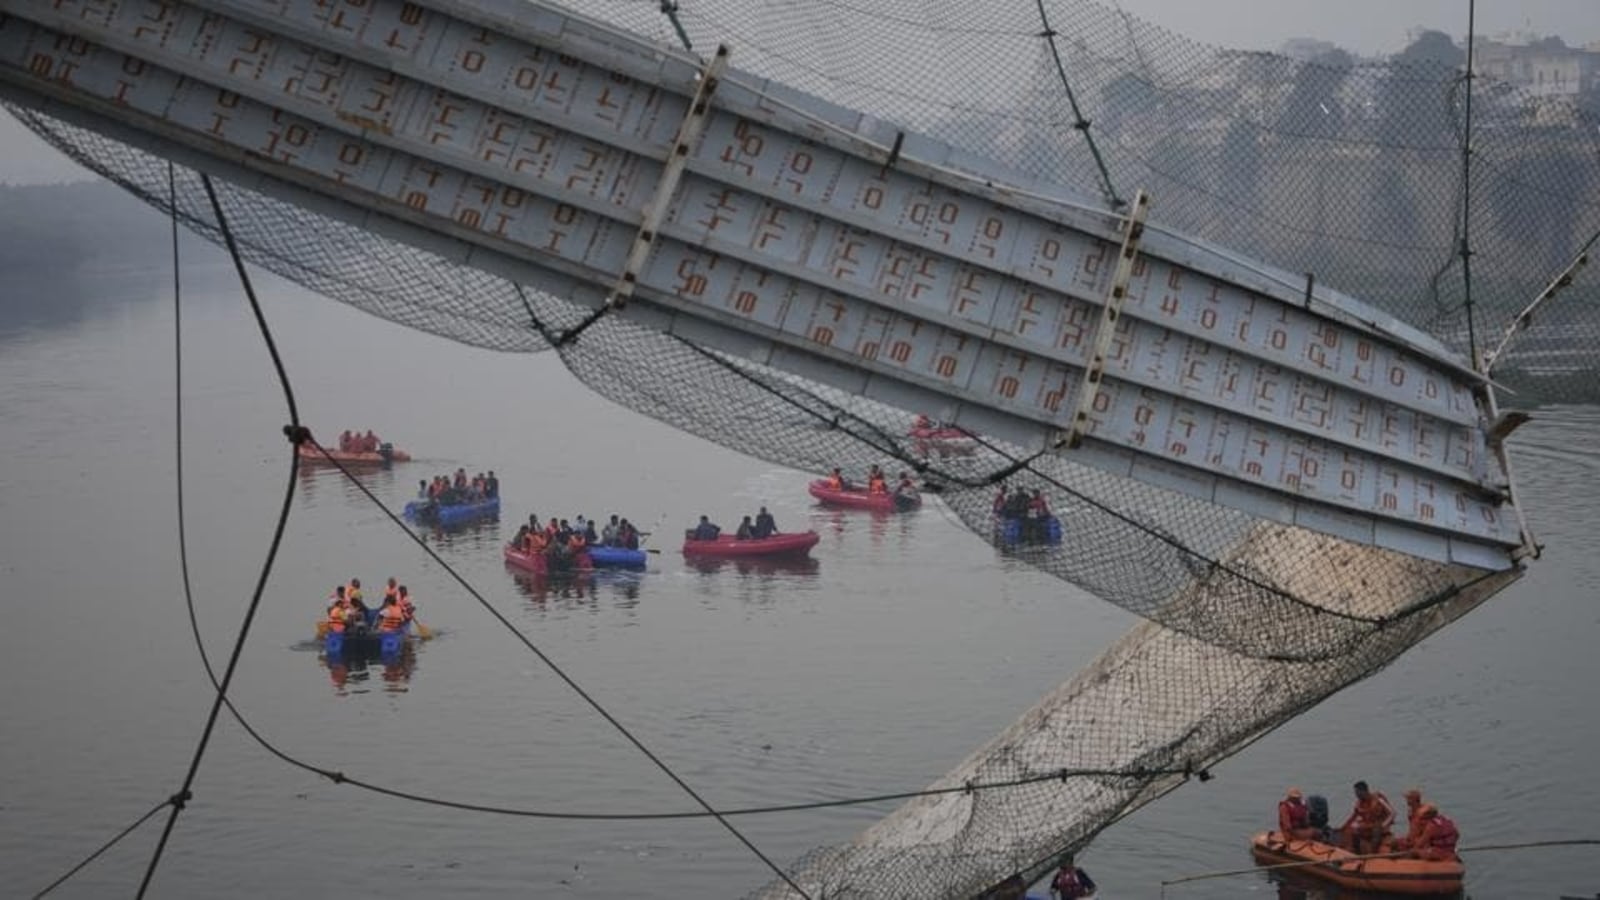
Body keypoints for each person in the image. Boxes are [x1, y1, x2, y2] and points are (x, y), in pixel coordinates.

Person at [1339, 781, 1395, 854]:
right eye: (1355, 793)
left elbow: (1392, 813)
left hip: (1378, 826)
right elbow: (1353, 817)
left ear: (1364, 791)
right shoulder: (1359, 803)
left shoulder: (1378, 799)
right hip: (1367, 826)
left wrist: (1383, 825)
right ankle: (1356, 853)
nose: (1356, 795)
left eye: (1357, 792)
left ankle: (1373, 853)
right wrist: (1342, 828)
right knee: (1352, 830)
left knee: (1376, 830)